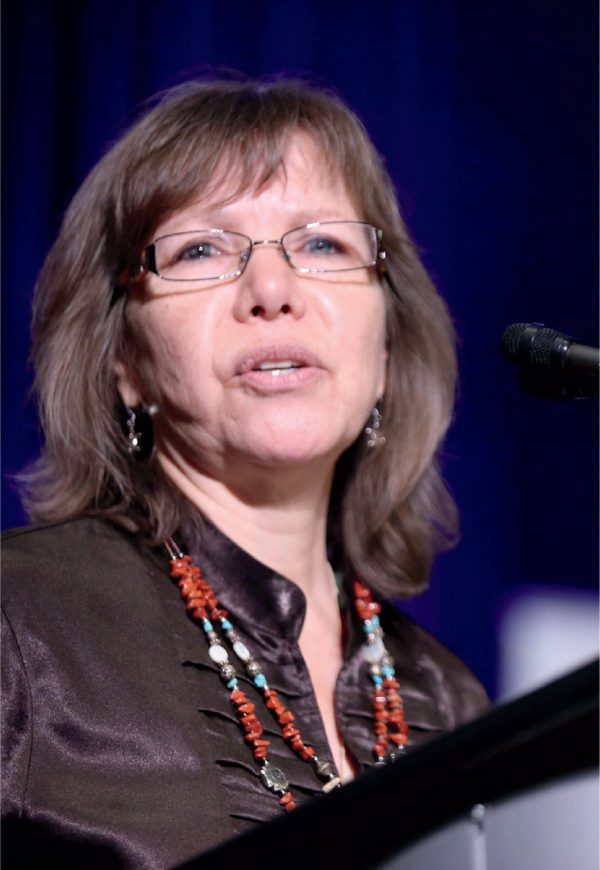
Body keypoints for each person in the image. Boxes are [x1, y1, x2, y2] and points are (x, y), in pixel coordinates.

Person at [1, 77, 488, 868]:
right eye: (203, 250)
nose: (272, 291)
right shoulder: (18, 624)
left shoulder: (452, 700)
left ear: (387, 352)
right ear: (125, 361)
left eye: (323, 244)